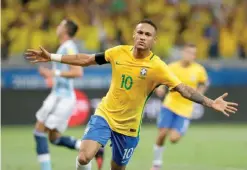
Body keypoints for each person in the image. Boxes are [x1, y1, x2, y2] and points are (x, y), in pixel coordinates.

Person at [25, 19, 238, 170]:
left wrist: (210, 102)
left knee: (117, 168)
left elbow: (183, 88)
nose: (143, 37)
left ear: (154, 40)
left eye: (148, 34)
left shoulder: (158, 66)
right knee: (83, 157)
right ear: (134, 35)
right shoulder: (118, 52)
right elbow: (86, 59)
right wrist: (52, 56)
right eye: (140, 33)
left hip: (129, 127)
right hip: (105, 115)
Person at [31, 19, 104, 170]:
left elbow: (77, 72)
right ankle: (94, 150)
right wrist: (52, 76)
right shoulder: (64, 47)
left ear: (65, 30)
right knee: (54, 139)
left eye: (60, 25)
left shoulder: (69, 47)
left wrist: (53, 73)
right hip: (59, 95)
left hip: (62, 97)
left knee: (39, 132)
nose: (57, 27)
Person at [151, 44, 209, 170]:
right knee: (162, 133)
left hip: (185, 109)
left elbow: (204, 83)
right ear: (183, 52)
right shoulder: (172, 67)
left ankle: (178, 129)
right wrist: (160, 88)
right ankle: (156, 163)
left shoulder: (199, 69)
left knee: (173, 139)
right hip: (170, 104)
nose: (190, 55)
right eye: (188, 52)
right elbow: (162, 80)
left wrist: (200, 93)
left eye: (193, 53)